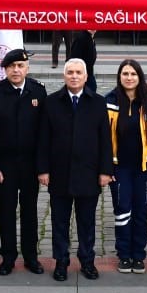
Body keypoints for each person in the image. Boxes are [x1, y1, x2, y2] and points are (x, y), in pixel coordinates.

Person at [37, 58, 112, 280]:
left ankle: (87, 261)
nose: (74, 76)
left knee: (87, 222)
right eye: (70, 72)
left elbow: (105, 140)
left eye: (79, 72)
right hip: (59, 173)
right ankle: (61, 261)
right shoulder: (51, 102)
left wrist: (105, 171)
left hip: (88, 173)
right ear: (64, 75)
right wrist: (43, 170)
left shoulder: (98, 102)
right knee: (59, 221)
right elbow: (43, 139)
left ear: (86, 76)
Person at [0, 48, 48, 276]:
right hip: (5, 165)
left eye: (20, 66)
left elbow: (43, 135)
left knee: (30, 212)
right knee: (7, 212)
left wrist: (42, 168)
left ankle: (31, 257)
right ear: (5, 69)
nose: (16, 70)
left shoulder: (38, 91)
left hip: (30, 165)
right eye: (11, 67)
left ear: (27, 68)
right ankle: (8, 257)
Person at [106, 58, 147, 273]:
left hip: (144, 168)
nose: (129, 78)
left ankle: (138, 254)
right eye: (125, 74)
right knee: (122, 210)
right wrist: (106, 168)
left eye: (133, 74)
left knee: (141, 210)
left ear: (139, 76)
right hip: (119, 168)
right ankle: (124, 254)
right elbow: (102, 137)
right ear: (119, 76)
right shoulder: (109, 100)